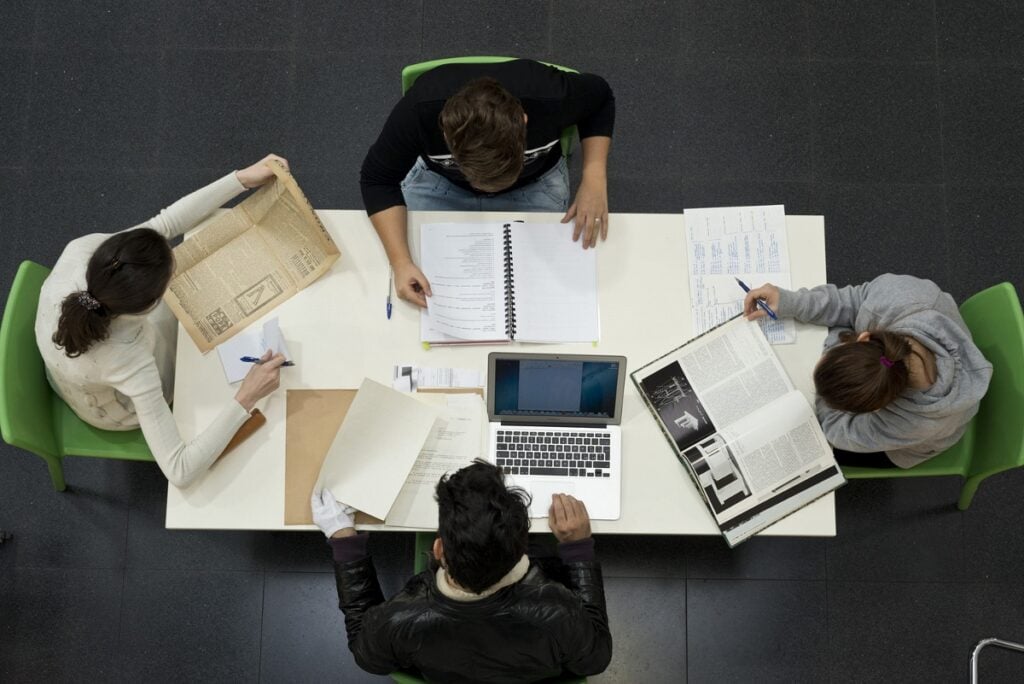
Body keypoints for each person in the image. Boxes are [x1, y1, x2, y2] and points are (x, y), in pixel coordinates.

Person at [35, 155, 290, 488]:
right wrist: (247, 396)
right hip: (108, 407)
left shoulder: (84, 252)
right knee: (205, 374)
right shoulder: (131, 362)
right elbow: (179, 471)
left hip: (74, 366)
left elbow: (165, 223)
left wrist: (241, 179)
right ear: (147, 307)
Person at [312, 460, 612, 682]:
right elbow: (594, 661)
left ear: (439, 550)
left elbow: (368, 658)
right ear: (523, 550)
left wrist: (344, 542)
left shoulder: (398, 620)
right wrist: (579, 548)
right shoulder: (559, 614)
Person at [360, 59, 615, 308]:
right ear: (446, 134)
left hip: (534, 184)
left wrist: (594, 179)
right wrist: (401, 262)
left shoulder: (552, 95)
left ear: (523, 121)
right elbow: (377, 179)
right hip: (442, 184)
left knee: (543, 284)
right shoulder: (419, 111)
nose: (483, 192)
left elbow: (601, 98)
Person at [743, 274, 992, 468]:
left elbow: (837, 432)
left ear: (875, 409)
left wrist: (834, 341)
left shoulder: (914, 424)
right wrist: (791, 302)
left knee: (809, 451)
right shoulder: (901, 296)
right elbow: (851, 300)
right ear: (865, 337)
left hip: (910, 446)